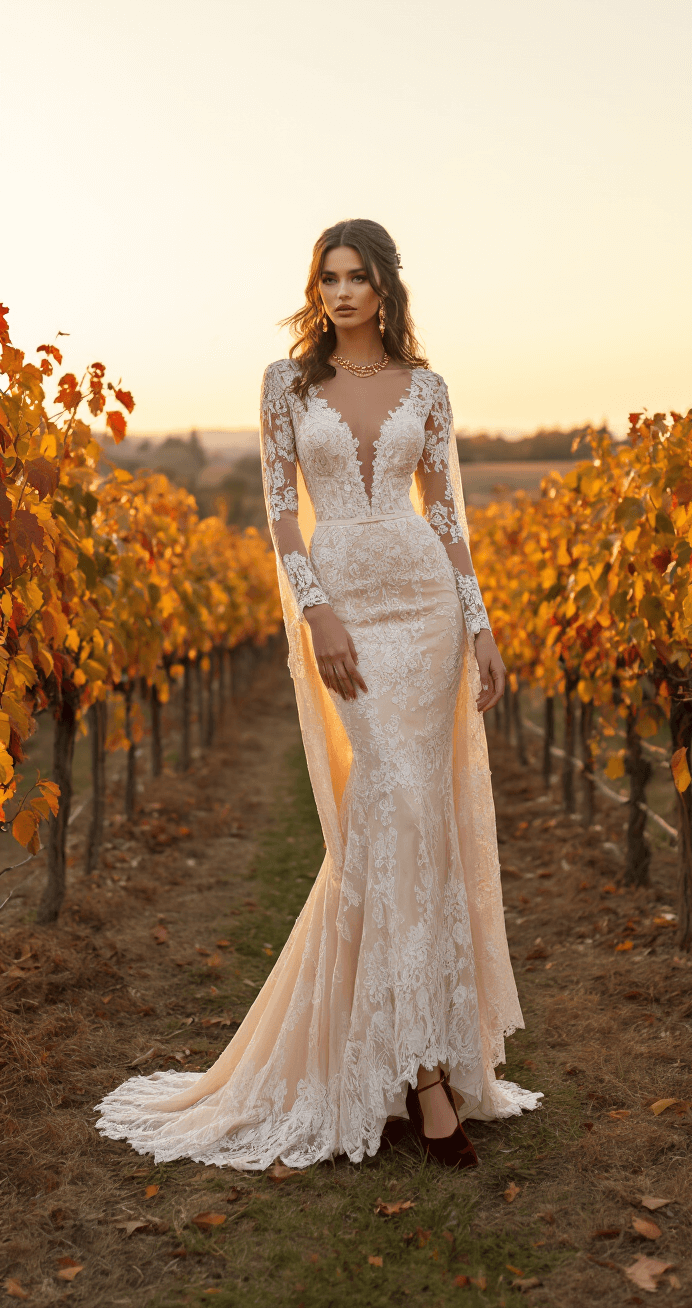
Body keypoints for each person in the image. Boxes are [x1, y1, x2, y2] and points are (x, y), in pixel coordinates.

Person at [95, 218, 542, 1171]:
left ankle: (424, 1059)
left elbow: (451, 518)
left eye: (359, 277)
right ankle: (415, 1070)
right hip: (344, 606)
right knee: (389, 799)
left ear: (386, 287)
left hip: (425, 606)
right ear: (319, 289)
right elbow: (279, 514)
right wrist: (318, 614)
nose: (342, 293)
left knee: (418, 815)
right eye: (329, 278)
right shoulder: (284, 385)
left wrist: (480, 624)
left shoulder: (429, 387)